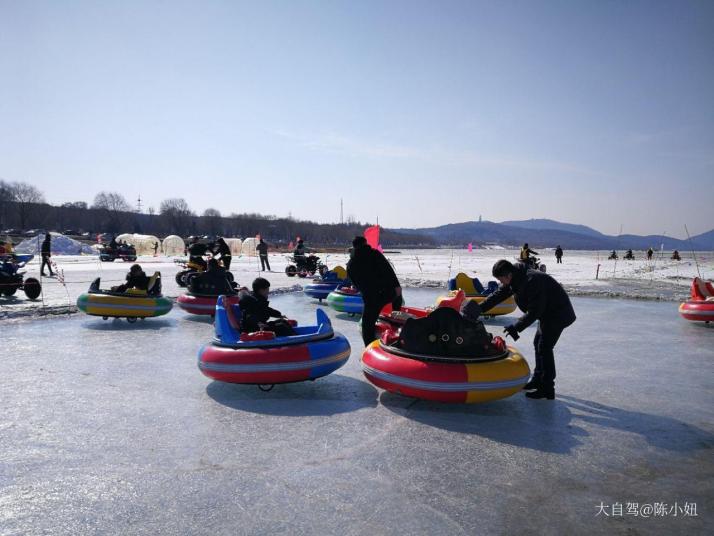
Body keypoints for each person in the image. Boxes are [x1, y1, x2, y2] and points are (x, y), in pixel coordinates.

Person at [474, 260, 576, 400]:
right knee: (538, 343)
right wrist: (478, 309)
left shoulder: (532, 281)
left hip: (558, 314)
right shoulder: (516, 278)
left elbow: (535, 311)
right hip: (547, 313)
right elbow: (498, 295)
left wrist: (516, 327)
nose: (501, 283)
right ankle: (538, 379)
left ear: (508, 275)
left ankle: (547, 388)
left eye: (500, 279)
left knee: (544, 347)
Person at [347, 235, 403, 346]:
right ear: (365, 243)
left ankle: (369, 347)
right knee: (397, 303)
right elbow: (388, 271)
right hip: (386, 293)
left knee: (367, 325)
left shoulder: (351, 263)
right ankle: (397, 328)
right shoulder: (375, 254)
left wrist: (363, 290)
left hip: (370, 297)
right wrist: (397, 287)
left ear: (354, 246)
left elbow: (353, 280)